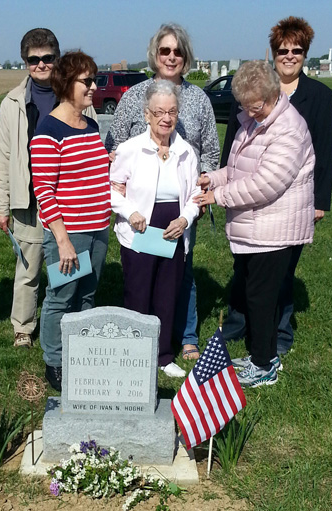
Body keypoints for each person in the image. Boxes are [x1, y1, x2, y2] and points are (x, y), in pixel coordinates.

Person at [220, 17, 332, 354]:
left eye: (296, 50)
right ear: (273, 54)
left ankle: (278, 336)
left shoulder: (318, 96)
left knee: (280, 274)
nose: (289, 56)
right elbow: (235, 144)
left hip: (289, 200)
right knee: (243, 270)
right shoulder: (252, 90)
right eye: (282, 50)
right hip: (251, 199)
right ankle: (239, 325)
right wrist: (224, 177)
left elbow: (324, 151)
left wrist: (320, 201)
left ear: (305, 54)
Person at [105, 23, 219, 361]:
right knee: (142, 276)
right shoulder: (133, 95)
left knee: (180, 273)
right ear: (155, 55)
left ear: (186, 57)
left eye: (177, 51)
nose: (171, 57)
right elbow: (114, 143)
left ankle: (182, 337)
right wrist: (119, 178)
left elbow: (210, 149)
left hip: (183, 202)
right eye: (165, 51)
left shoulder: (198, 99)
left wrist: (202, 183)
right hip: (140, 206)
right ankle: (139, 345)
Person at [197, 60, 315, 387]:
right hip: (257, 227)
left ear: (274, 94)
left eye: (257, 105)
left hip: (274, 229)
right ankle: (261, 355)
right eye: (245, 106)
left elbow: (266, 183)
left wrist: (217, 196)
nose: (251, 111)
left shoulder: (288, 128)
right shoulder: (253, 120)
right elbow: (237, 169)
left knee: (261, 298)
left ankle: (264, 366)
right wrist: (213, 178)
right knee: (254, 294)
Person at [0, 29, 97, 349]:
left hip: (71, 200)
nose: (40, 64)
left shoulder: (75, 94)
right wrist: (1, 204)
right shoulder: (12, 102)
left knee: (69, 268)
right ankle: (23, 327)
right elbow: (4, 154)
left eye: (47, 58)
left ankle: (67, 322)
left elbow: (91, 144)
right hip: (29, 197)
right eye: (33, 59)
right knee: (29, 267)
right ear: (25, 62)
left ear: (57, 58)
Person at [30, 51, 111, 391]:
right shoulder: (49, 129)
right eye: (87, 81)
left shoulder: (90, 125)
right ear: (67, 84)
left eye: (94, 80)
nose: (94, 87)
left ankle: (80, 354)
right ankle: (55, 361)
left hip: (98, 229)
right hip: (71, 233)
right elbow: (44, 192)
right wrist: (62, 240)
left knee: (87, 295)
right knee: (61, 296)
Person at [110, 80, 200, 378]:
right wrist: (129, 212)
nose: (166, 118)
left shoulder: (186, 151)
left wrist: (185, 219)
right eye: (159, 111)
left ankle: (163, 355)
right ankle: (135, 355)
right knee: (138, 292)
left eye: (172, 111)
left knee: (167, 292)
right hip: (140, 229)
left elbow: (194, 198)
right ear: (147, 114)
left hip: (172, 227)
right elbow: (112, 190)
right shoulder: (130, 149)